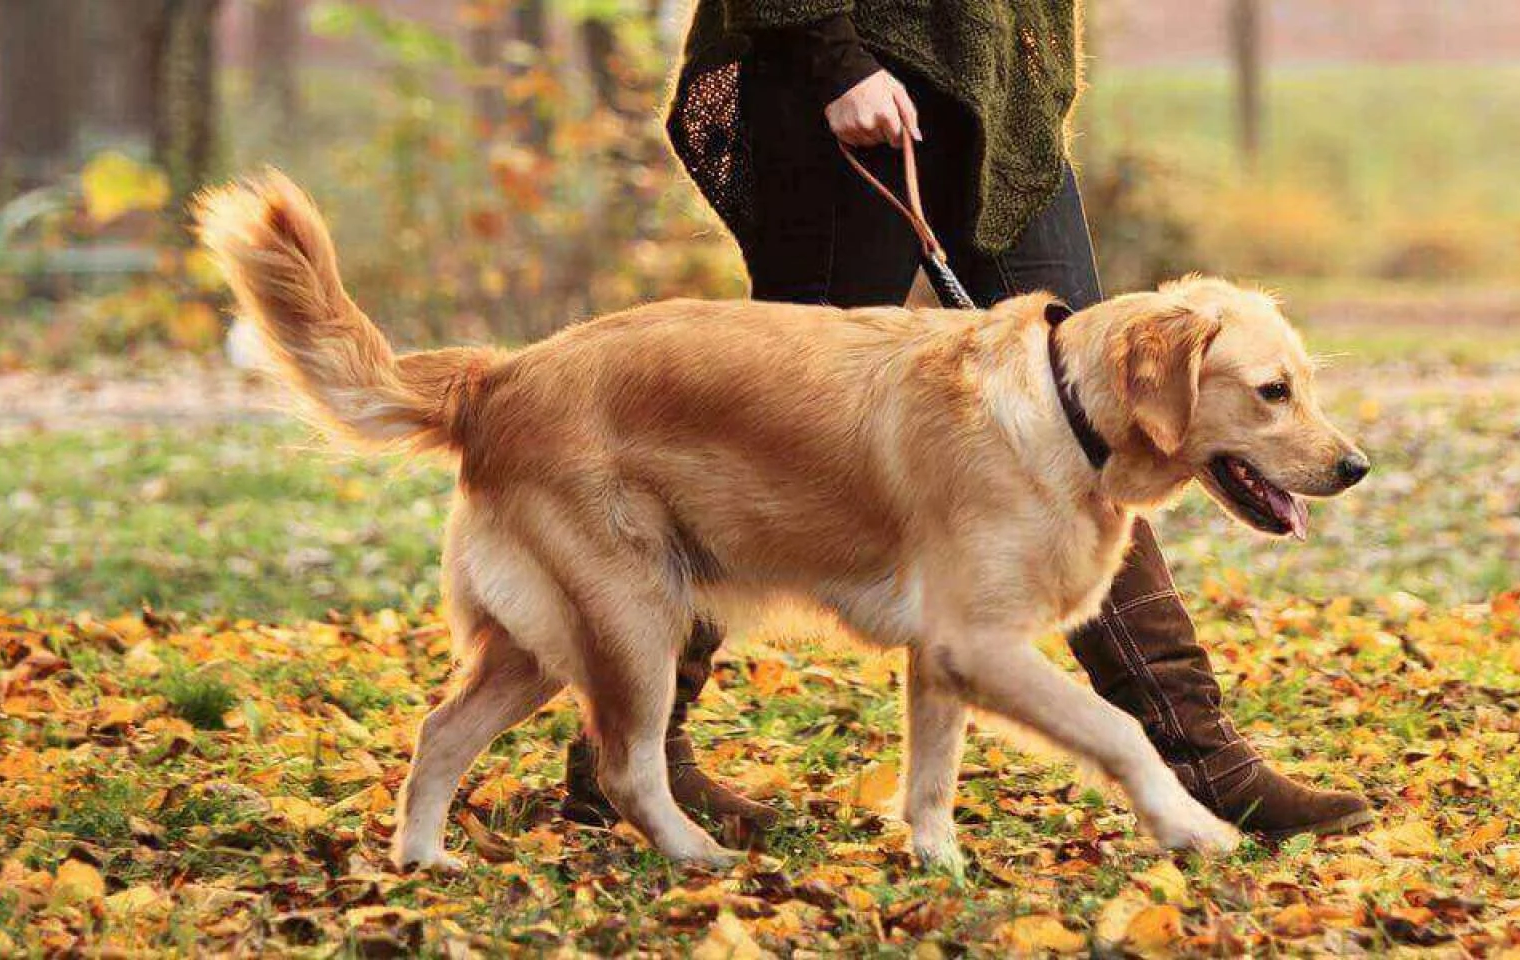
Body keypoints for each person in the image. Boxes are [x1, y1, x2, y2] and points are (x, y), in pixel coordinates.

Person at [561, 0, 1373, 842]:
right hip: (852, 74)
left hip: (1002, 94)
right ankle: (624, 755)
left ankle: (1202, 759)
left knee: (1114, 411)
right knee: (775, 433)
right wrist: (835, 59)